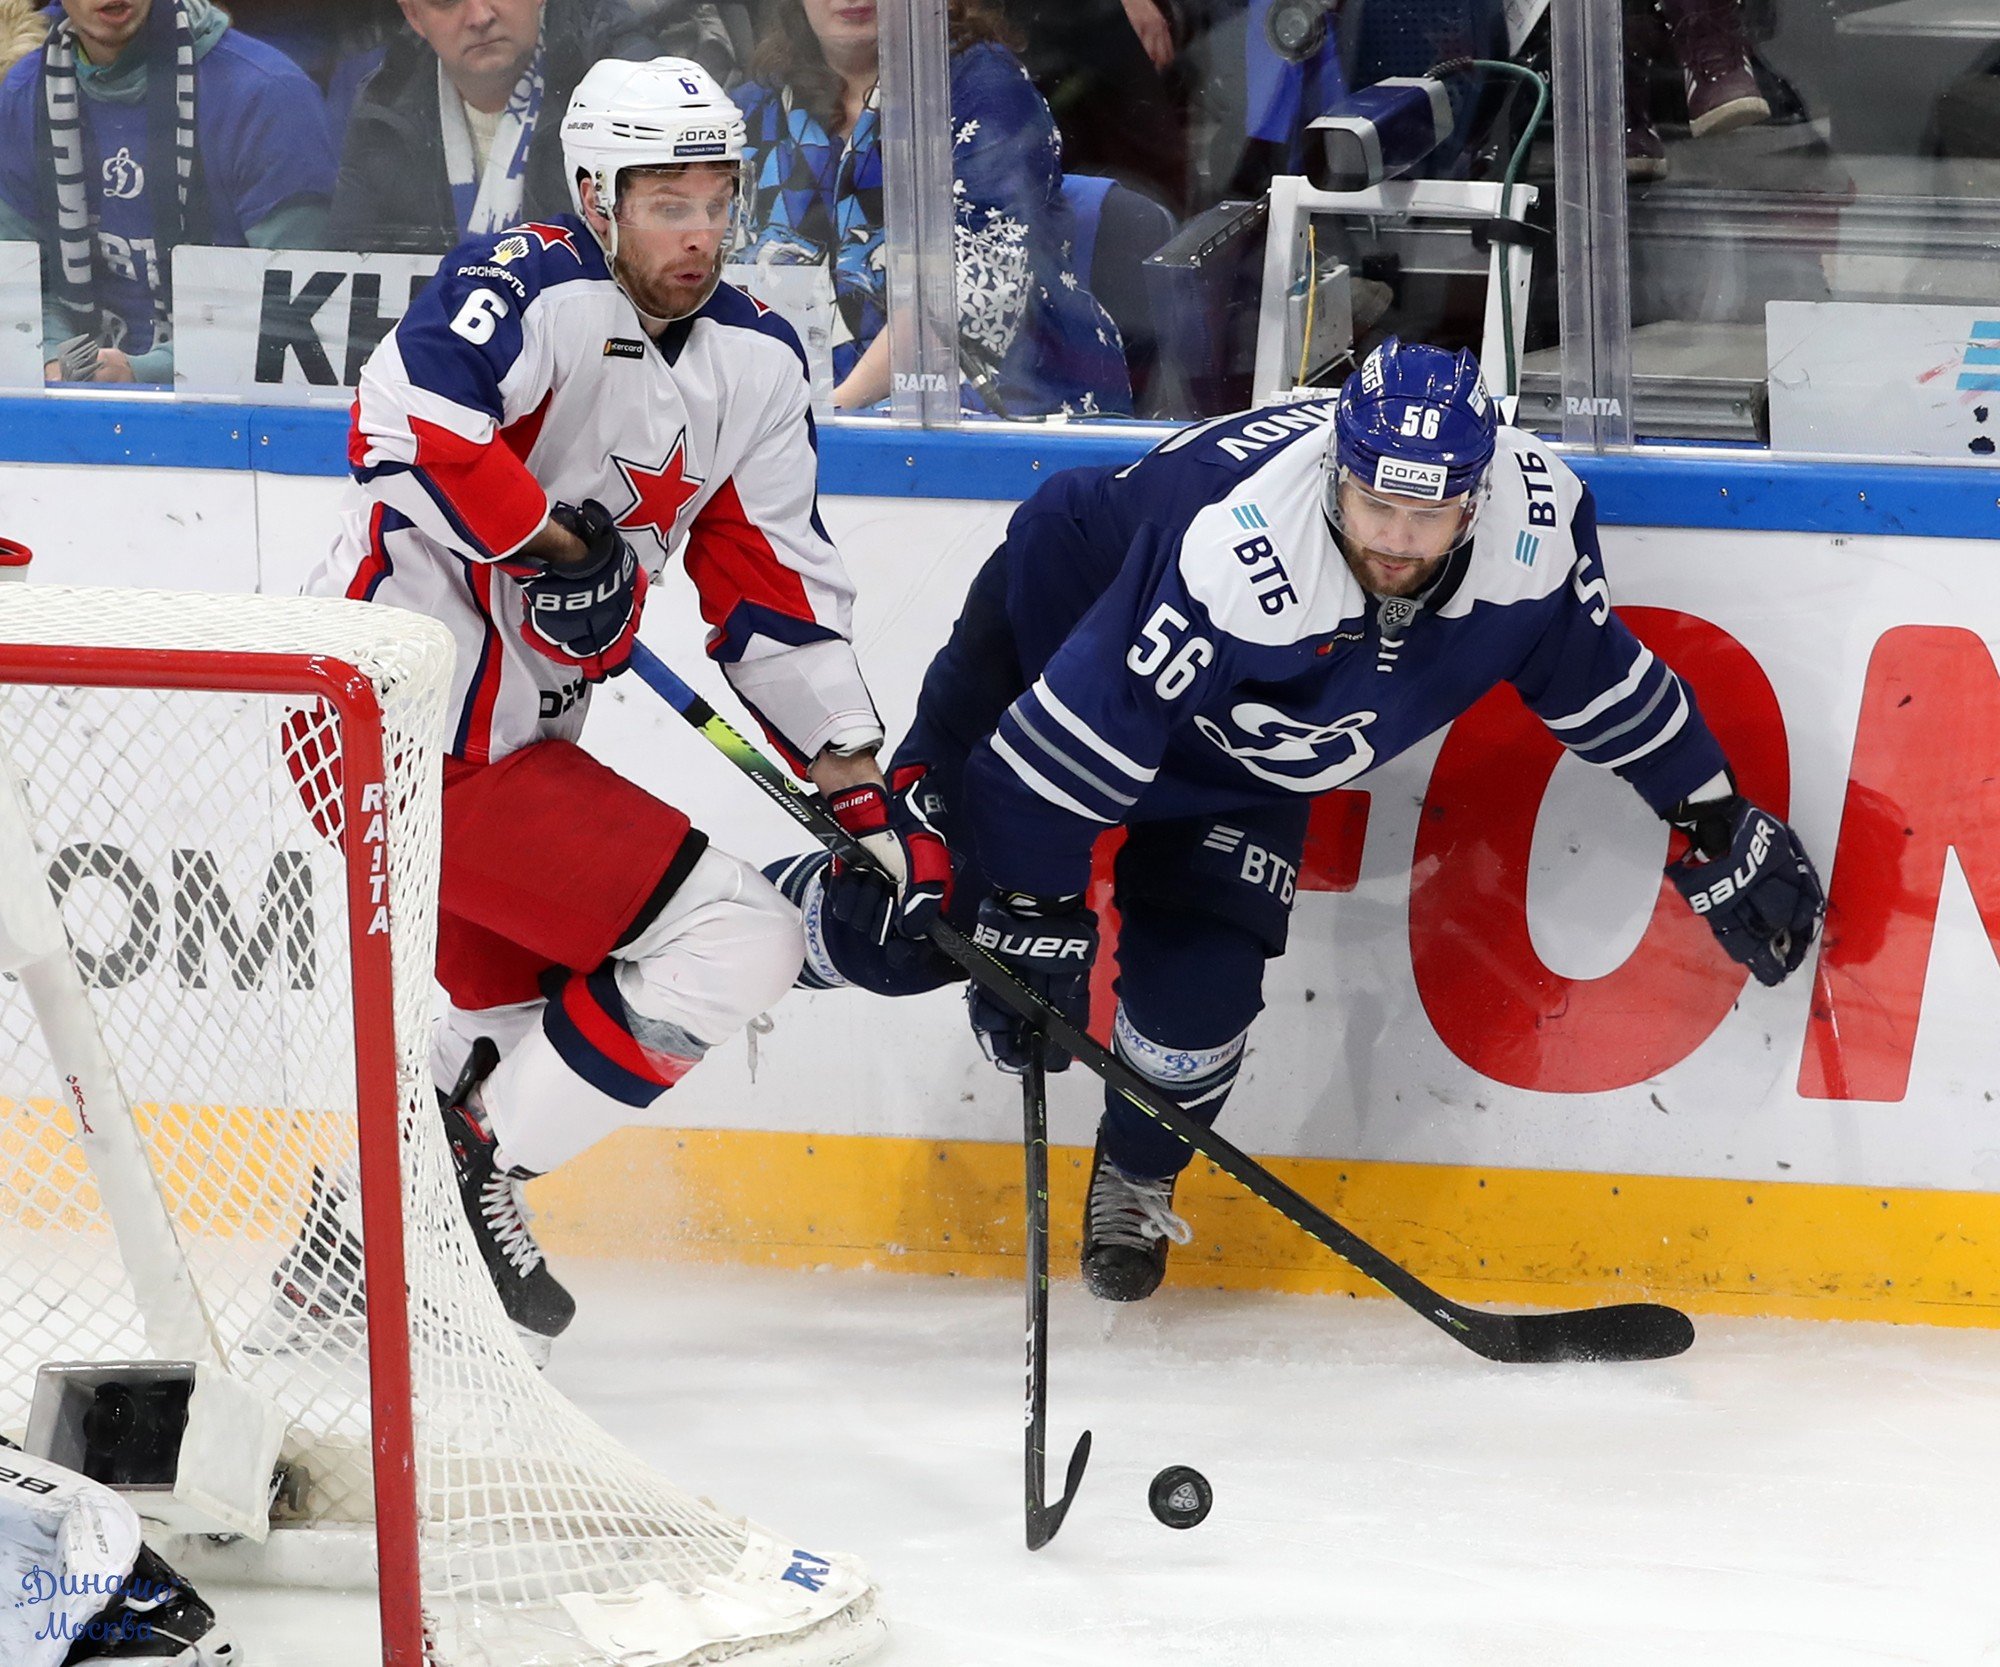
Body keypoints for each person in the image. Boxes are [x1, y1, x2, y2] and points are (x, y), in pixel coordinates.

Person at [767, 337, 1826, 1304]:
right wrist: (1036, 917)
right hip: (1055, 643)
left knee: (1200, 1002)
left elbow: (1599, 681)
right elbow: (1050, 765)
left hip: (1240, 758)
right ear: (1334, 471)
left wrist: (1709, 811)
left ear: (1477, 496)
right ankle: (753, 927)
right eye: (1375, 506)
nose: (1397, 541)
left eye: (1428, 515)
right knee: (917, 926)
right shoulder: (1242, 552)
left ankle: (1136, 1174)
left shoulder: (1532, 531)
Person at [291, 56, 945, 1361]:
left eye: (716, 202)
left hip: (515, 740)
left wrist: (857, 783)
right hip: (399, 730)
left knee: (509, 1029)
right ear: (597, 197)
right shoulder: (526, 281)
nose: (697, 234)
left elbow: (771, 584)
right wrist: (552, 544)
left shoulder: (758, 360)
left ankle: (337, 1274)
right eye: (664, 204)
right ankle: (462, 1178)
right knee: (739, 939)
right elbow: (407, 423)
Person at [735, 0, 1132, 417]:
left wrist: (826, 414)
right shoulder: (750, 109)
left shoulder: (986, 89)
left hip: (999, 397)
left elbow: (971, 290)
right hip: (801, 408)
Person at [0, 0, 336, 386]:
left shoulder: (269, 93)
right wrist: (53, 361)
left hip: (233, 401)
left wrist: (145, 371)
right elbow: (19, 285)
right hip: (72, 400)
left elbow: (302, 309)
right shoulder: (24, 92)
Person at [328, 0, 737, 255]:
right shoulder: (383, 108)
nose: (479, 16)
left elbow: (676, 261)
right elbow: (352, 283)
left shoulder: (632, 89)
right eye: (447, 1)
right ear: (414, 16)